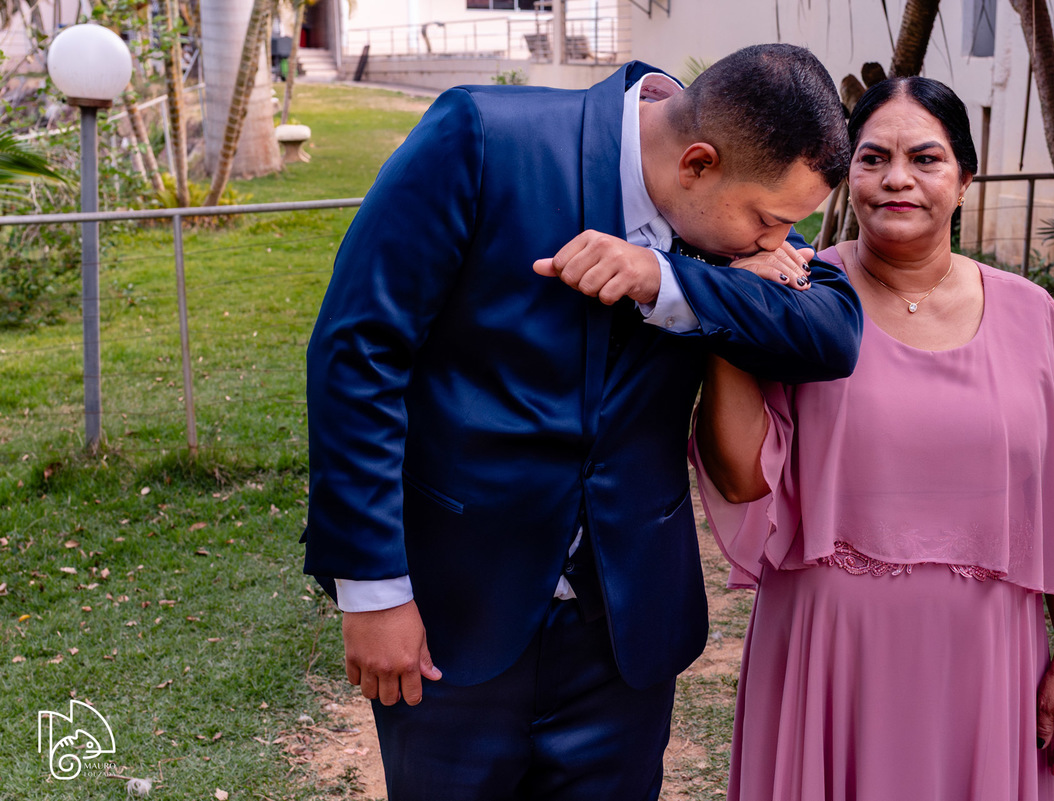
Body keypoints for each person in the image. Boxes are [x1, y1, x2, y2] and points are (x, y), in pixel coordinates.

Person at [304, 45, 863, 801]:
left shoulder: (736, 202)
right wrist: (373, 588)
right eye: (768, 223)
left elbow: (832, 332)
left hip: (626, 636)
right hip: (453, 616)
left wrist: (666, 278)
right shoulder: (482, 136)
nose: (775, 246)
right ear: (697, 164)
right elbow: (358, 354)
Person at [691, 76, 1054, 801]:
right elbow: (740, 477)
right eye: (872, 158)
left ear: (965, 178)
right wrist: (737, 310)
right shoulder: (799, 296)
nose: (897, 179)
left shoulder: (1031, 314)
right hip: (830, 653)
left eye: (925, 158)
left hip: (987, 658)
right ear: (845, 174)